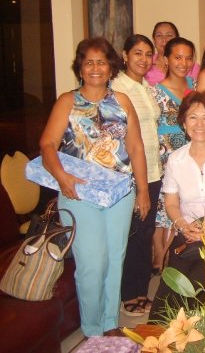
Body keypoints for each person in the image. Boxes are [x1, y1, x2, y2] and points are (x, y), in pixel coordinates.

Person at [39, 37, 149, 337]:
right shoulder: (67, 101)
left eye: (101, 62)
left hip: (119, 193)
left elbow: (136, 147)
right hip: (78, 193)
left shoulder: (122, 101)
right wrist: (62, 177)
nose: (96, 68)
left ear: (111, 68)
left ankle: (110, 323)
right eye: (89, 62)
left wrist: (142, 190)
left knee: (115, 258)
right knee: (92, 262)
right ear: (80, 68)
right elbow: (47, 145)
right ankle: (92, 329)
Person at [149, 91, 205, 320]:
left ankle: (203, 329)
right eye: (193, 117)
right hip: (188, 233)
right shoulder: (176, 160)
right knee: (173, 281)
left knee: (201, 275)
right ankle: (164, 331)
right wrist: (183, 225)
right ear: (183, 122)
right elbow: (171, 203)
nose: (199, 124)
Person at [112, 34, 162, 315]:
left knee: (145, 233)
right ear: (125, 55)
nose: (143, 59)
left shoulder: (145, 87)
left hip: (153, 169)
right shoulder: (118, 88)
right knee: (132, 233)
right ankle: (129, 294)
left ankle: (141, 290)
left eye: (148, 54)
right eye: (137, 53)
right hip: (130, 174)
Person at [151, 37, 196, 273]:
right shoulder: (154, 92)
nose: (183, 63)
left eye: (188, 58)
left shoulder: (195, 85)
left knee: (183, 202)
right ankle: (160, 256)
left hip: (191, 152)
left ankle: (174, 254)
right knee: (164, 206)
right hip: (165, 155)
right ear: (166, 59)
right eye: (178, 57)